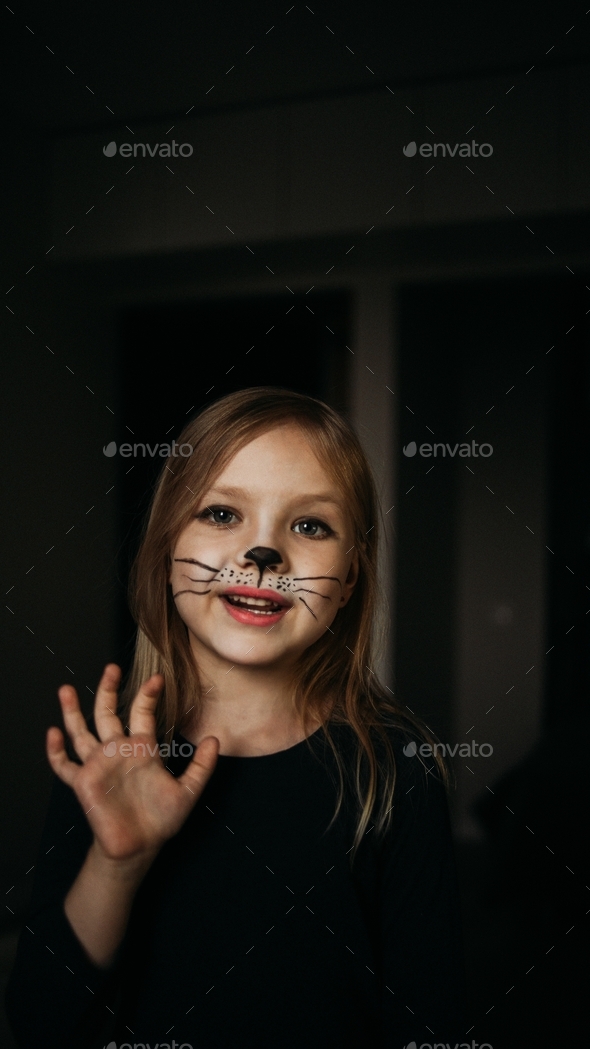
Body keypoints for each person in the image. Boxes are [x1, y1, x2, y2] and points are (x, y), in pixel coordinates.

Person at [5, 386, 467, 1049]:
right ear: (166, 547)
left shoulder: (396, 769)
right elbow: (42, 1022)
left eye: (309, 525)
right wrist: (117, 863)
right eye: (222, 512)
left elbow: (432, 1021)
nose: (262, 556)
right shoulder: (113, 757)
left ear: (350, 578)